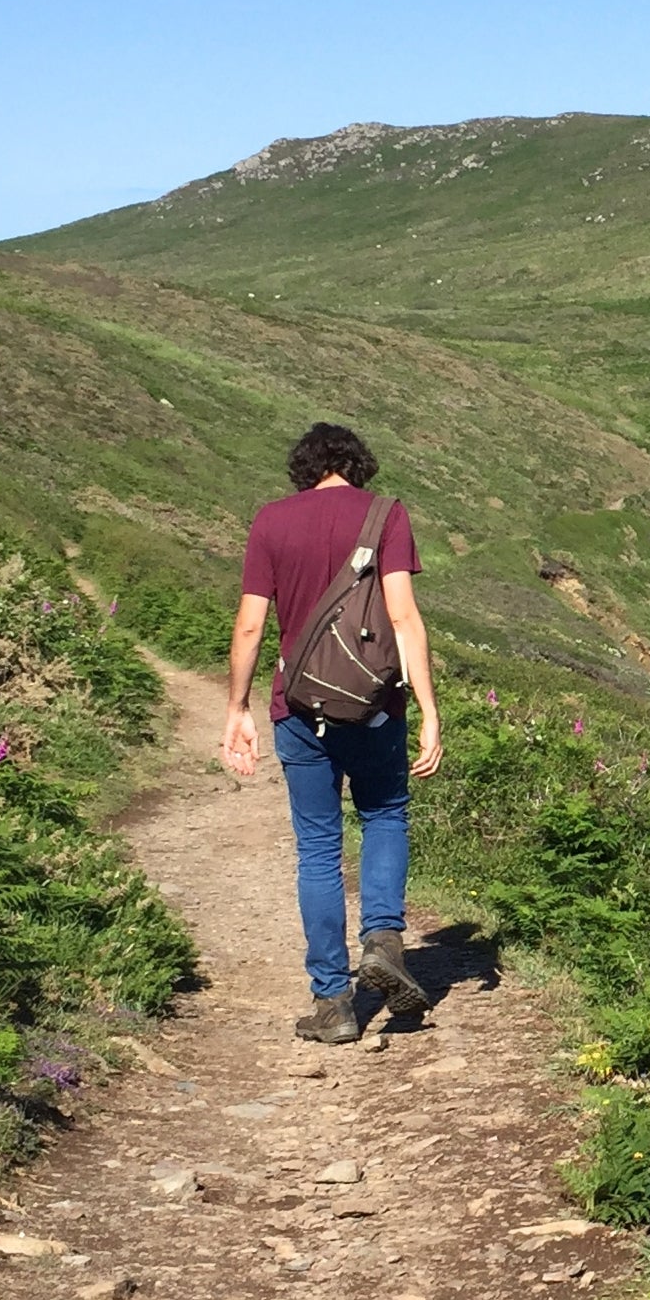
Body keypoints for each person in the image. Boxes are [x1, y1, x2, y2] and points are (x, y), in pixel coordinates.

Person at [221, 423, 443, 1043]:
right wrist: (427, 708)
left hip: (298, 710)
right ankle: (382, 939)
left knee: (318, 849)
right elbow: (403, 617)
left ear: (302, 468)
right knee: (385, 816)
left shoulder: (271, 521)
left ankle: (333, 1004)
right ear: (358, 464)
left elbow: (249, 628)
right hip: (375, 707)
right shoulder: (386, 515)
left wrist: (236, 706)